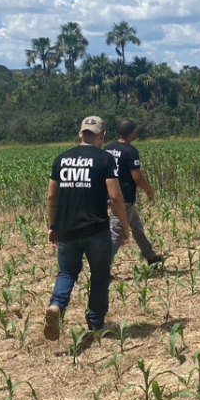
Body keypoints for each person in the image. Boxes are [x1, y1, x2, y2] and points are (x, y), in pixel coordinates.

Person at [44, 116, 130, 344]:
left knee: (66, 273)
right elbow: (115, 195)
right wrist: (124, 224)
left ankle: (56, 306)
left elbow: (52, 197)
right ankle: (94, 325)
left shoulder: (61, 159)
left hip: (67, 229)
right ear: (102, 136)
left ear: (80, 134)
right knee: (100, 277)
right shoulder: (105, 159)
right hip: (96, 230)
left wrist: (53, 226)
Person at [105, 119, 164, 266]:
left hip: (110, 193)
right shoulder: (130, 151)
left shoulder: (108, 148)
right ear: (132, 133)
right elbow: (136, 176)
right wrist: (149, 190)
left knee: (136, 227)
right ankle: (102, 268)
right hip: (124, 197)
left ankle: (150, 256)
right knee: (117, 233)